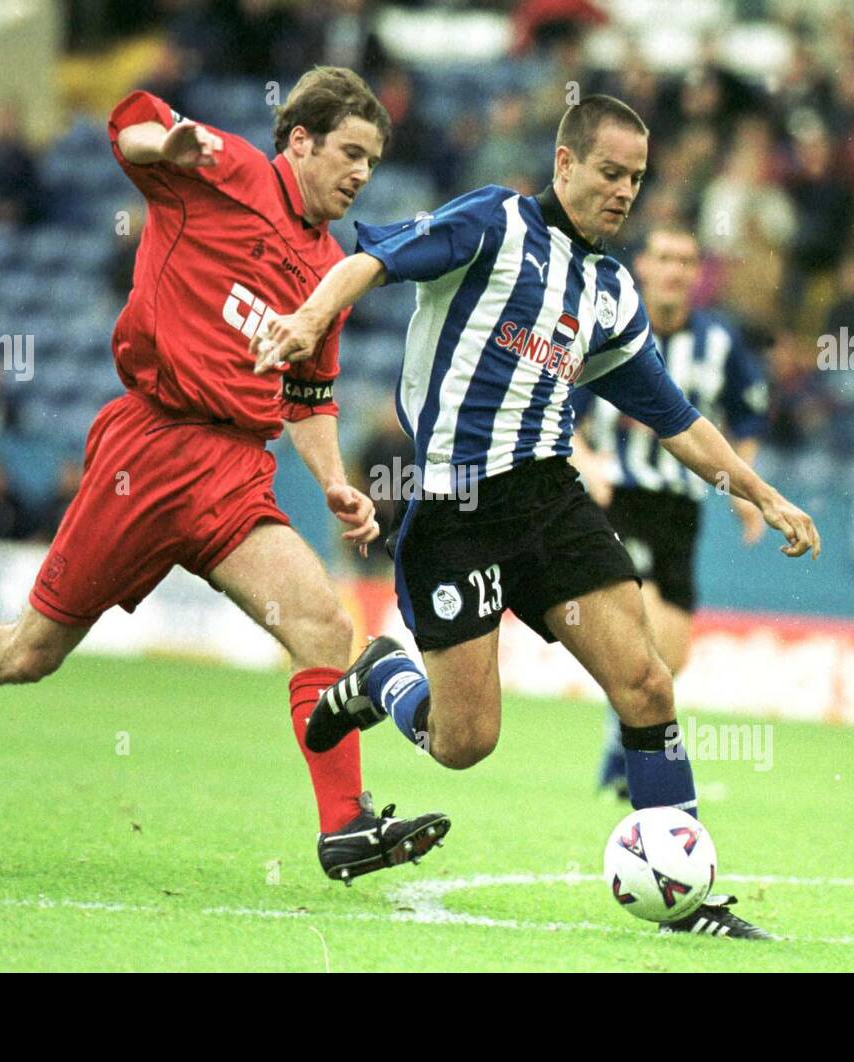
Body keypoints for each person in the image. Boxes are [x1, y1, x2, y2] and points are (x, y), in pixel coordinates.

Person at [0, 67, 448, 884]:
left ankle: (342, 827)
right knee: (31, 652)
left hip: (234, 469)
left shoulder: (330, 266)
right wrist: (165, 143)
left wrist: (334, 481)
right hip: (150, 451)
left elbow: (308, 393)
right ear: (298, 141)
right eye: (350, 153)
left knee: (325, 629)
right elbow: (127, 124)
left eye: (372, 161)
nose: (362, 174)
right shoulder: (224, 169)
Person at [254, 95, 821, 938]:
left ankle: (690, 903)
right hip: (455, 507)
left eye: (636, 177)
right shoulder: (492, 222)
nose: (625, 191)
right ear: (564, 164)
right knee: (463, 741)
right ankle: (380, 675)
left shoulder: (610, 293)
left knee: (645, 681)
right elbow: (368, 264)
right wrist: (306, 318)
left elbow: (674, 417)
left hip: (550, 501)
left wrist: (760, 492)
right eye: (609, 172)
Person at [571, 223, 768, 797]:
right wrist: (586, 462)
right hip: (620, 498)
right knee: (642, 619)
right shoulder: (608, 332)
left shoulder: (719, 344)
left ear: (697, 272)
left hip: (681, 507)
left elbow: (749, 415)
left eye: (687, 259)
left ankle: (617, 743)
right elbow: (561, 407)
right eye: (665, 257)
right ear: (644, 268)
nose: (676, 269)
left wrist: (742, 490)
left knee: (672, 653)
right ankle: (641, 762)